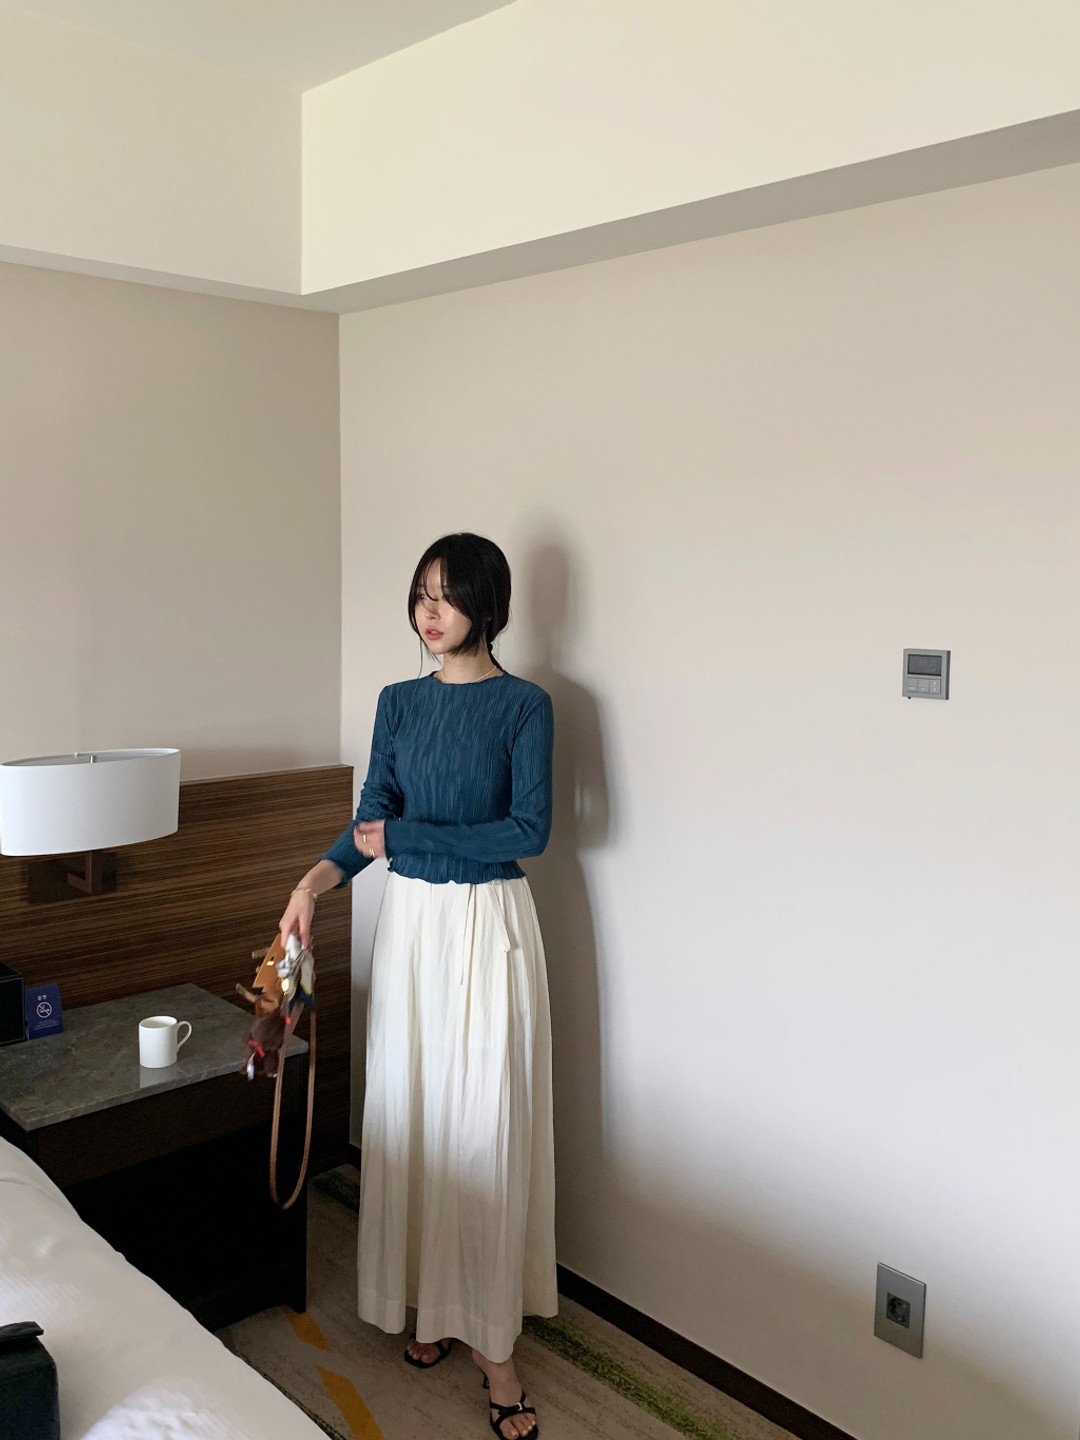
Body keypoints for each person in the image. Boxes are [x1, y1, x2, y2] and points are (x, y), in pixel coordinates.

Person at [278, 533, 556, 1440]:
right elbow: (370, 825)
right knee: (414, 1114)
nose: (428, 612)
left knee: (482, 1125)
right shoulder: (398, 703)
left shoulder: (526, 705)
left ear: (487, 605)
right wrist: (311, 886)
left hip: (487, 924)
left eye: (447, 595)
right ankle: (429, 1305)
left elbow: (529, 830)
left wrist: (409, 839)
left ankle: (495, 1351)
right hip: (412, 928)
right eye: (420, 593)